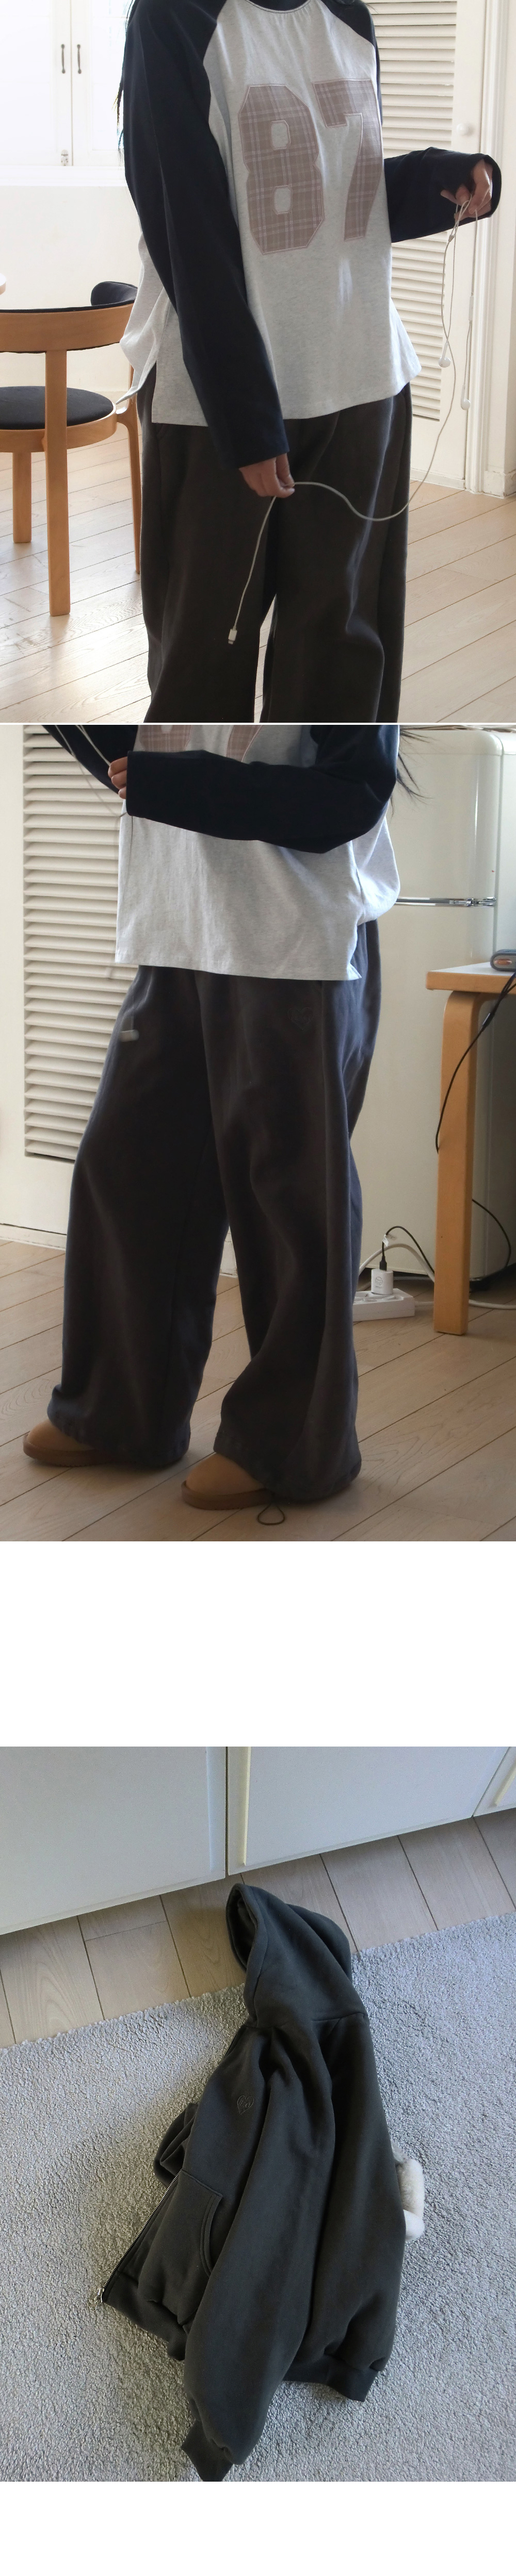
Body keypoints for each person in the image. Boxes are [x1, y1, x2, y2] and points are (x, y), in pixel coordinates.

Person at [24, 721, 401, 1512]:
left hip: (295, 935)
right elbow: (140, 758)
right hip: (179, 920)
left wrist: (174, 783)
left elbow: (351, 795)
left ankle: (290, 1444)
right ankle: (120, 1411)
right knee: (128, 1171)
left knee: (289, 1200)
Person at [116, 0, 500, 720]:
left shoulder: (348, 17)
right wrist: (246, 417)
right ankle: (200, 799)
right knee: (203, 662)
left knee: (339, 663)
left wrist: (438, 181)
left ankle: (308, 801)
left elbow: (323, 185)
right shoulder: (173, 19)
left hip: (360, 377)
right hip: (219, 404)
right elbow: (188, 230)